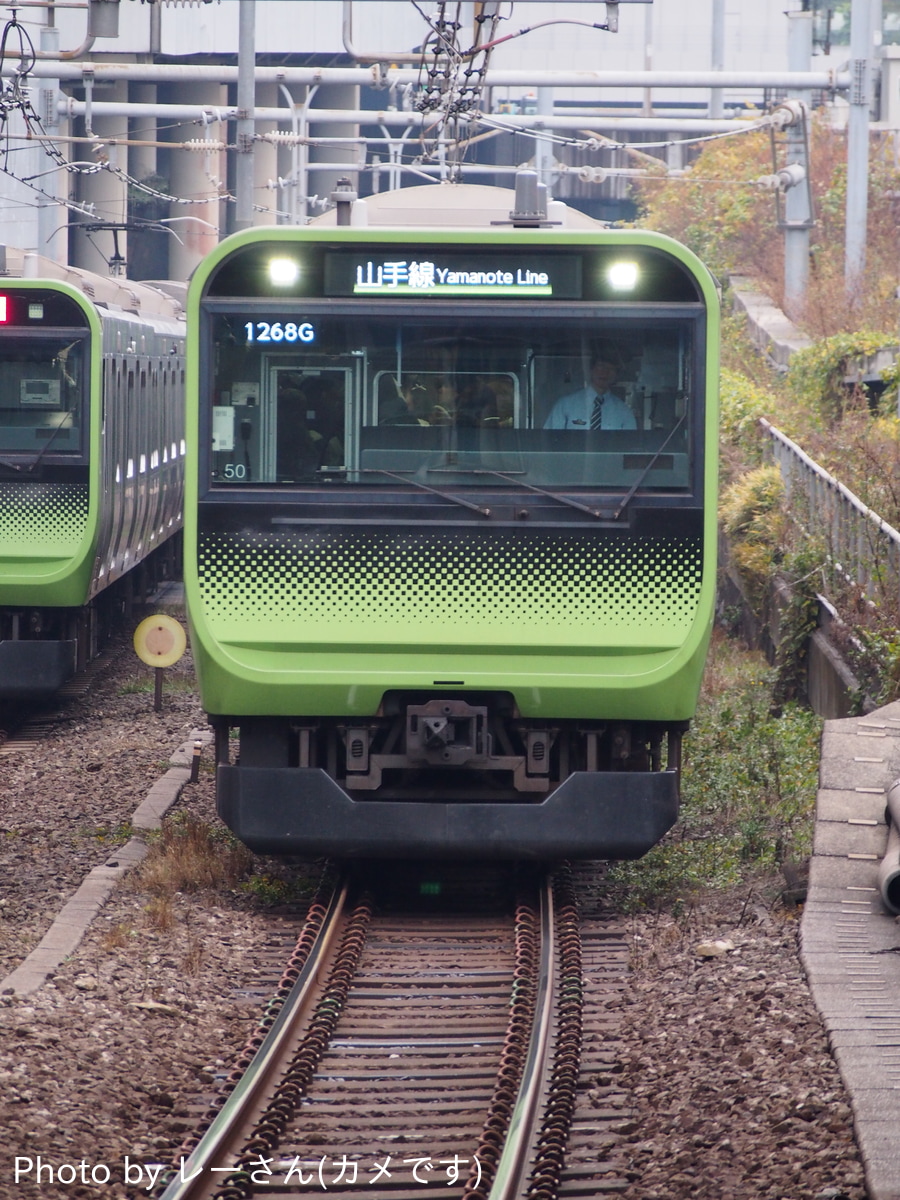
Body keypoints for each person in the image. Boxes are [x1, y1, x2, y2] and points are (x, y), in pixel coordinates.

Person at [543, 356, 637, 430]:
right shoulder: (565, 405)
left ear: (616, 375)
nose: (605, 372)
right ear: (591, 370)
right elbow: (549, 441)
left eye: (611, 369)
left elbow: (630, 448)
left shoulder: (624, 412)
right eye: (601, 366)